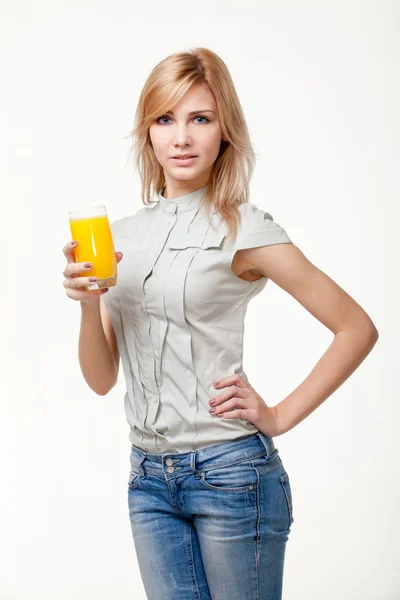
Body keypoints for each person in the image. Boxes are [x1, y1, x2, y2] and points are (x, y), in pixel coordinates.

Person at [62, 48, 379, 600]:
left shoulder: (245, 229)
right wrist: (89, 304)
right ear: (148, 133)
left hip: (231, 474)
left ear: (224, 130)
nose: (181, 138)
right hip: (147, 481)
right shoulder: (121, 238)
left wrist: (277, 415)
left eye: (199, 119)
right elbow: (100, 378)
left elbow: (355, 327)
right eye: (165, 119)